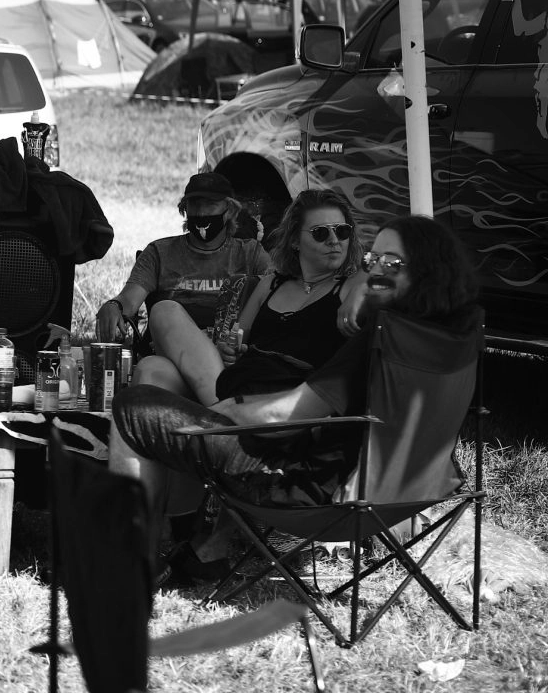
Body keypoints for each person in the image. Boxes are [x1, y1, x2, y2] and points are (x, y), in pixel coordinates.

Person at [110, 215, 482, 579]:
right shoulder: (449, 336)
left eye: (392, 263)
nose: (375, 272)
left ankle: (128, 565)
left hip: (302, 488)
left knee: (133, 407)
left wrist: (220, 414)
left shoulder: (385, 337)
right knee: (158, 383)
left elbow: (283, 417)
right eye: (372, 260)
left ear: (428, 271)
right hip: (399, 498)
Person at [132, 188, 363, 405]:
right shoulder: (270, 285)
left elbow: (382, 272)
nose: (334, 240)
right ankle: (222, 413)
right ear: (294, 240)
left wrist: (361, 286)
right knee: (153, 359)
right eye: (321, 233)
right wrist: (229, 351)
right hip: (240, 384)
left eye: (342, 231)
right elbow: (235, 342)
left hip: (285, 401)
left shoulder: (351, 287)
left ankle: (223, 416)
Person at [94, 171, 270, 347]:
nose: (201, 212)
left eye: (210, 205)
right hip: (170, 351)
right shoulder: (159, 253)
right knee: (164, 314)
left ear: (230, 210)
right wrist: (114, 305)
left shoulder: (250, 253)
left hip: (229, 351)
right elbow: (129, 299)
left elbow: (277, 290)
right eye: (194, 205)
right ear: (184, 209)